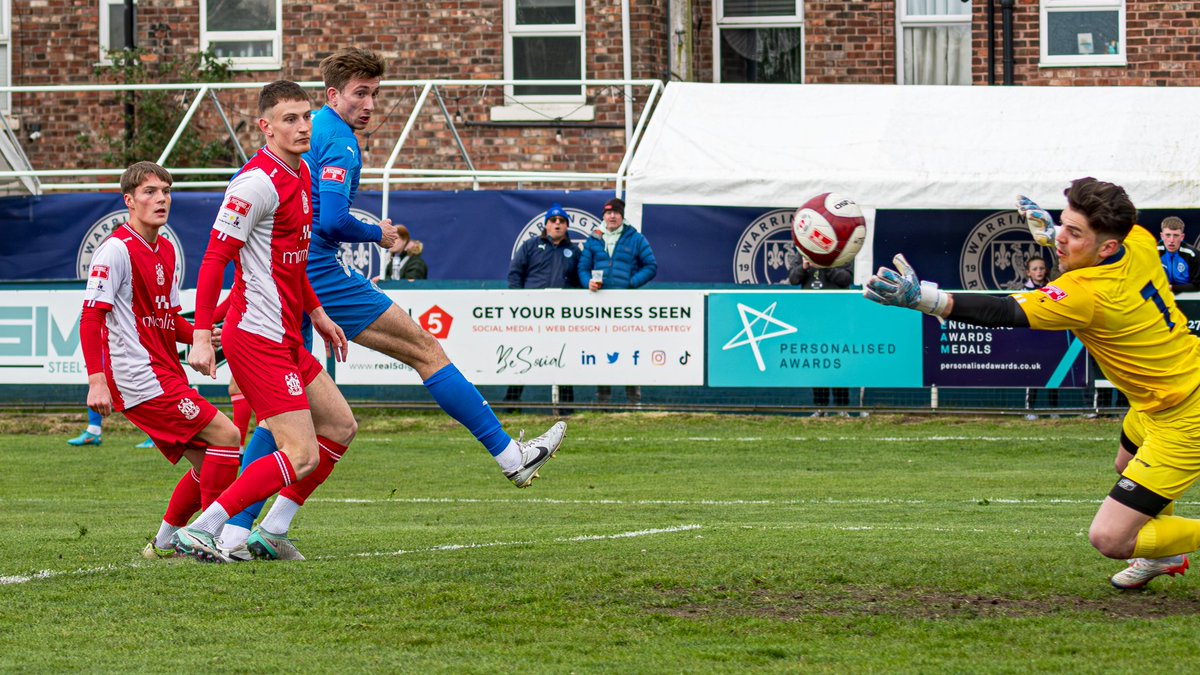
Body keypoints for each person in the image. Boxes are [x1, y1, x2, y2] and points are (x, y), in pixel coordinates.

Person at [865, 177, 1200, 590]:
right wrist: (1058, 236)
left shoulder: (1084, 293)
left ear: (1108, 247)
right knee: (1124, 466)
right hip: (1167, 391)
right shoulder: (1140, 240)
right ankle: (1161, 553)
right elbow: (1095, 247)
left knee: (1110, 538)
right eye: (1063, 224)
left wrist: (924, 299)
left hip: (1184, 415)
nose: (1060, 239)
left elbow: (1003, 312)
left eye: (1073, 233)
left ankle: (1157, 547)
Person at [294, 47, 564, 492]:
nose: (370, 106)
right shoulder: (340, 140)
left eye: (375, 95)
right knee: (426, 351)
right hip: (319, 272)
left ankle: (240, 526)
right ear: (332, 95)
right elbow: (331, 222)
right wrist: (376, 234)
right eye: (360, 94)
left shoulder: (310, 131)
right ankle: (510, 455)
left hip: (292, 272)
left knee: (293, 415)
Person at [173, 80, 359, 563]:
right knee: (301, 454)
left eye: (306, 118)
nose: (302, 127)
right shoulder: (256, 182)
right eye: (289, 119)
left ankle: (271, 532)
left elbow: (292, 262)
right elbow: (215, 259)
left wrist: (317, 313)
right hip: (256, 338)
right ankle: (206, 528)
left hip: (285, 333)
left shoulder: (299, 175)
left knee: (339, 427)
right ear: (266, 127)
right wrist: (199, 336)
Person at [79, 161, 243, 559]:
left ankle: (166, 542)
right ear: (129, 201)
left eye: (166, 191)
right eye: (150, 192)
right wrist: (96, 380)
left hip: (164, 370)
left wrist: (201, 336)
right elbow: (90, 316)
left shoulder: (165, 248)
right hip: (139, 377)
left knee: (209, 462)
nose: (161, 199)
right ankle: (205, 537)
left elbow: (166, 319)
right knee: (229, 437)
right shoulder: (116, 249)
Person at [578, 197, 657, 406]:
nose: (612, 216)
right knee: (602, 350)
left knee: (630, 350)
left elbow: (650, 265)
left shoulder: (635, 238)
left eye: (616, 212)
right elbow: (583, 268)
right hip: (600, 306)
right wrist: (589, 283)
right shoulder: (594, 239)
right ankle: (604, 401)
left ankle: (633, 401)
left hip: (626, 307)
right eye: (608, 212)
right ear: (603, 215)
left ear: (622, 216)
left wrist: (630, 283)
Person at [504, 203, 580, 411]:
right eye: (553, 221)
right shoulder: (530, 246)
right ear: (545, 225)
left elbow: (579, 282)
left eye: (562, 221)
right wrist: (521, 303)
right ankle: (512, 403)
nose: (557, 224)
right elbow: (515, 275)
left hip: (562, 316)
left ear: (567, 226)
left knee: (563, 355)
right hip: (531, 315)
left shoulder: (574, 251)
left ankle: (566, 407)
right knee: (522, 355)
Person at [787, 251, 854, 416]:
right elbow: (793, 279)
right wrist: (804, 267)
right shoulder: (803, 251)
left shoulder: (843, 251)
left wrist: (825, 267)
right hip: (812, 319)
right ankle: (820, 408)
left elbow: (846, 279)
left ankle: (842, 409)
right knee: (817, 362)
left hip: (837, 318)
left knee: (839, 362)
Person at [1021, 256, 1060, 419]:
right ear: (1028, 272)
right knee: (1033, 374)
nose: (1039, 272)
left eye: (1041, 268)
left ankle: (1053, 410)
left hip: (1050, 339)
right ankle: (1030, 410)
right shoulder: (1023, 291)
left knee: (1054, 375)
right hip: (1031, 340)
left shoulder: (1053, 288)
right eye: (1035, 269)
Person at [1157, 216, 1200, 293]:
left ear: (1182, 237)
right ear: (1162, 236)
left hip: (1188, 298)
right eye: (1168, 235)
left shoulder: (1192, 254)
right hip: (1160, 296)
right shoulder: (1153, 252)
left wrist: (1172, 288)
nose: (1171, 240)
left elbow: (1198, 285)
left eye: (1176, 235)